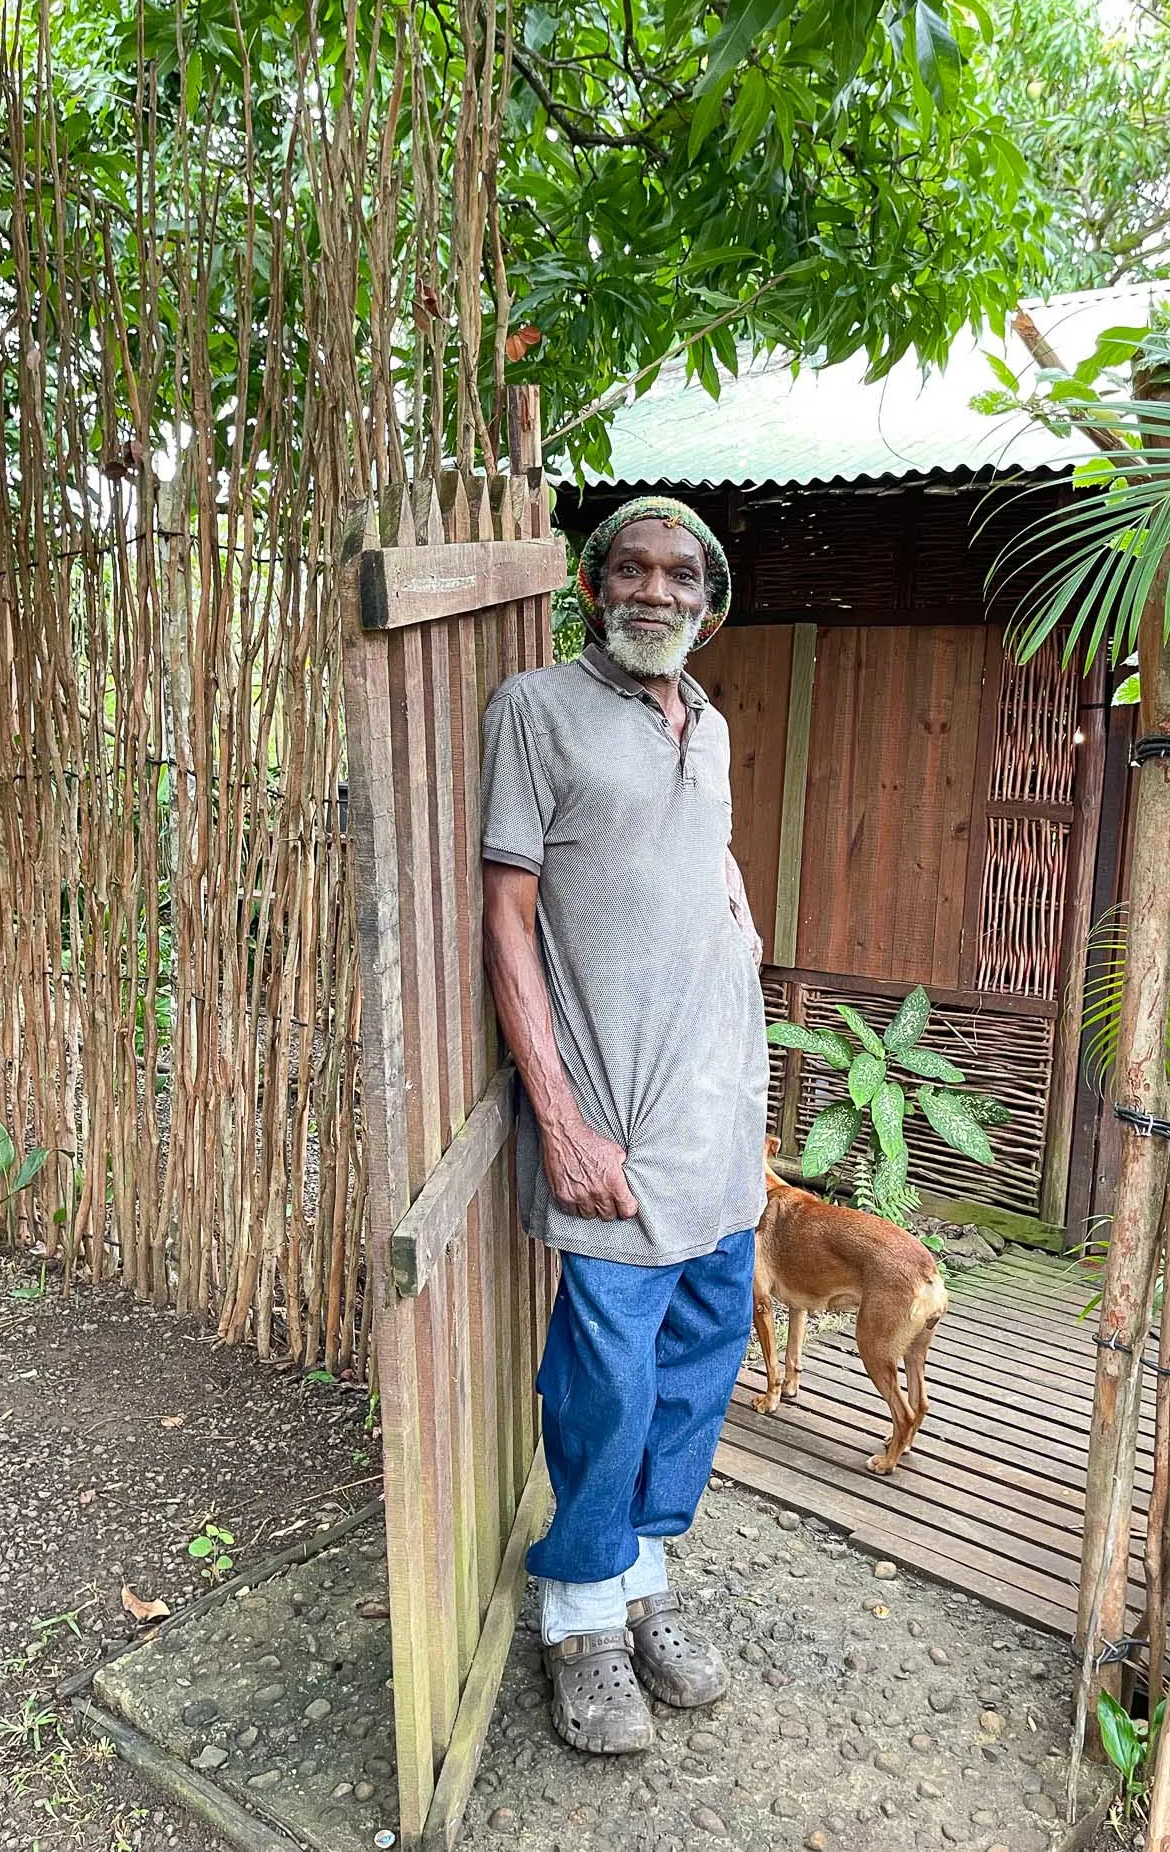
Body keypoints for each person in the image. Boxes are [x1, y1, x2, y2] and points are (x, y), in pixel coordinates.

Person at [479, 494, 769, 1756]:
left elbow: (708, 867)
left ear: (709, 602)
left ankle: (642, 1576)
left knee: (702, 1357)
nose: (658, 590)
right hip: (616, 1112)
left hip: (717, 1107)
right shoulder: (535, 711)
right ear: (593, 586)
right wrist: (560, 1118)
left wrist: (741, 965)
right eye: (633, 568)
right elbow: (506, 916)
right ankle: (579, 1612)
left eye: (682, 575)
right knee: (605, 1374)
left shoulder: (709, 724)